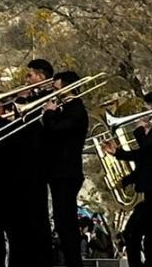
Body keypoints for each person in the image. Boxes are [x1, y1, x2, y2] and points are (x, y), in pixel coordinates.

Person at [104, 91, 152, 267]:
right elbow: (143, 157)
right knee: (136, 232)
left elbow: (146, 148)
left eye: (147, 107)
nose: (144, 112)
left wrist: (139, 129)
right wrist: (118, 154)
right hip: (151, 185)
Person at [40, 69, 89, 267]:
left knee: (66, 221)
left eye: (56, 87)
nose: (53, 91)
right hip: (59, 170)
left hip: (67, 171)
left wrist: (50, 113)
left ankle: (73, 261)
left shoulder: (76, 108)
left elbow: (57, 131)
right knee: (61, 220)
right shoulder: (66, 108)